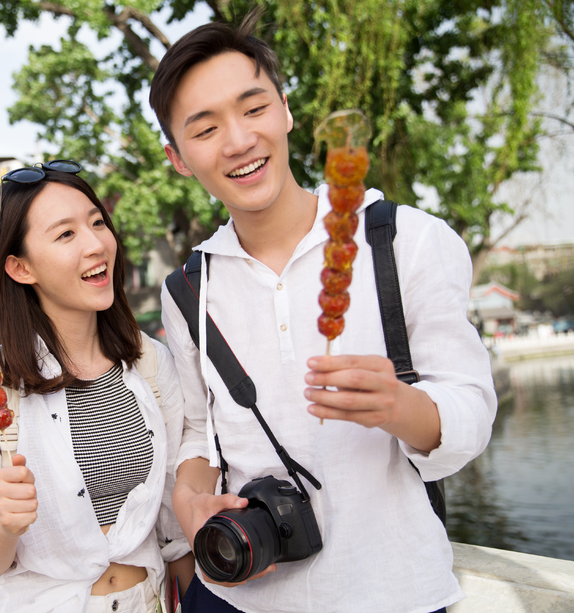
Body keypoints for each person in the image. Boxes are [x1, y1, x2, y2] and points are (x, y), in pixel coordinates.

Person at [148, 15, 497, 613]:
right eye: (204, 130)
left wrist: (401, 405)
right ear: (178, 158)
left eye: (253, 109)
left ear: (286, 111)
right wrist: (190, 495)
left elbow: (471, 413)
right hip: (239, 593)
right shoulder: (188, 288)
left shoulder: (404, 241)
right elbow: (201, 431)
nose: (237, 141)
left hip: (394, 591)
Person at [0, 163, 193, 613]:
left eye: (96, 223)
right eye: (66, 235)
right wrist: (5, 528)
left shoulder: (150, 364)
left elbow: (174, 532)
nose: (96, 245)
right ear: (20, 266)